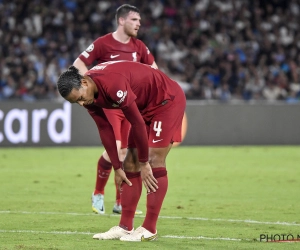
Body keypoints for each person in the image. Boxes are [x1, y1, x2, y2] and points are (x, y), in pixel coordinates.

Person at [56, 60, 186, 241]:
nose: (81, 103)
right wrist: (117, 167)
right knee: (129, 163)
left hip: (165, 101)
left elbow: (137, 123)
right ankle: (125, 227)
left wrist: (144, 163)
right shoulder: (89, 95)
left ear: (84, 83)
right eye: (75, 102)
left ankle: (149, 229)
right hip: (144, 107)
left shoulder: (112, 84)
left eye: (79, 98)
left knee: (153, 159)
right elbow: (104, 128)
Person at [73, 4, 158, 215]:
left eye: (139, 21)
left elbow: (154, 70)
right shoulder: (103, 43)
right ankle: (98, 193)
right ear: (121, 20)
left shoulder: (139, 47)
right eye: (134, 20)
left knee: (127, 152)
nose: (138, 24)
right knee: (118, 149)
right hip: (109, 103)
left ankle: (120, 203)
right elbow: (78, 64)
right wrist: (88, 85)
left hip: (128, 105)